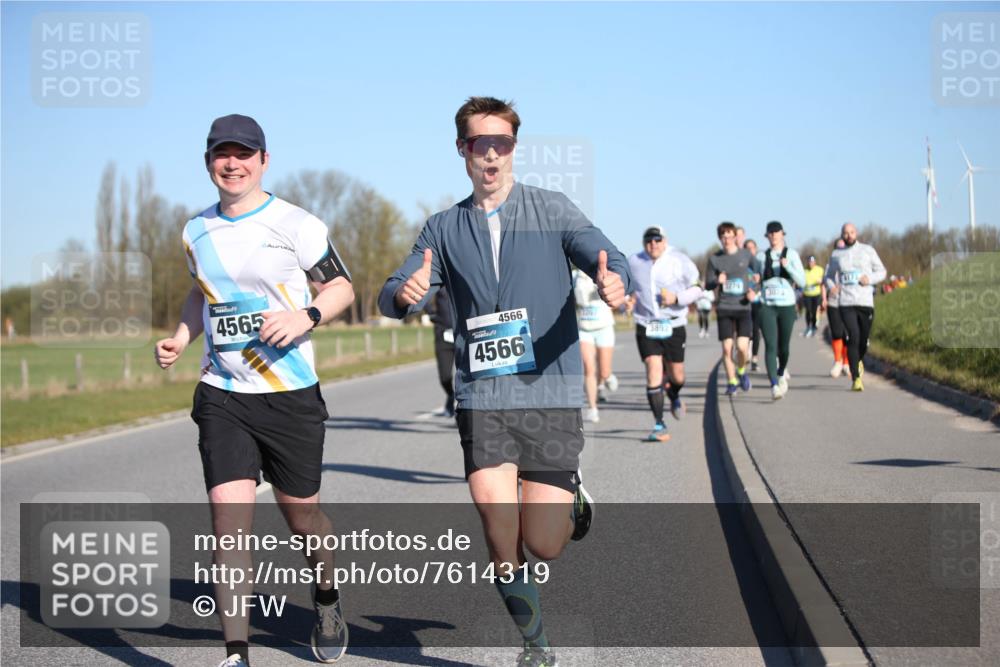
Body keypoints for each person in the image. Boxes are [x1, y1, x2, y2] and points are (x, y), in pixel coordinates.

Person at [378, 97, 631, 667]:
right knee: (498, 527)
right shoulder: (443, 228)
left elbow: (603, 252)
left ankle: (572, 494)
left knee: (543, 542)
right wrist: (403, 293)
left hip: (550, 391)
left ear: (514, 148)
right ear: (462, 150)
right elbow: (393, 289)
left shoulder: (551, 209)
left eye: (502, 143)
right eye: (478, 143)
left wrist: (610, 275)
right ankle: (536, 644)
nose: (490, 154)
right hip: (483, 397)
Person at [155, 115, 355, 666]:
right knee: (228, 527)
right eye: (222, 153)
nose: (232, 163)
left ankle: (327, 597)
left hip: (290, 395)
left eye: (244, 154)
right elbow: (201, 295)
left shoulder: (297, 224)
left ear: (264, 161)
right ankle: (236, 654)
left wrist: (306, 315)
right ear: (209, 162)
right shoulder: (195, 230)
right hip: (222, 393)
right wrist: (180, 335)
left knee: (303, 521)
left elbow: (341, 285)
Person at [628, 226, 702, 441]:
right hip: (646, 323)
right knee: (653, 369)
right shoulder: (634, 261)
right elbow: (628, 288)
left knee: (677, 375)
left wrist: (677, 298)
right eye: (648, 240)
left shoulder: (679, 259)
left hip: (673, 324)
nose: (653, 244)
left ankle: (674, 393)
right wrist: (628, 300)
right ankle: (659, 424)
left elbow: (698, 288)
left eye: (657, 240)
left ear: (665, 240)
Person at [825, 222, 886, 392]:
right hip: (846, 302)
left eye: (851, 232)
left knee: (863, 341)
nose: (849, 235)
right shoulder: (837, 254)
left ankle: (857, 360)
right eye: (845, 233)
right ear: (842, 235)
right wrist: (832, 287)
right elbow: (828, 276)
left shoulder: (867, 250)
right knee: (853, 335)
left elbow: (882, 271)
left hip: (865, 301)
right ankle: (856, 378)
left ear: (856, 233)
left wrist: (870, 279)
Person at [705, 222, 757, 395]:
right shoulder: (715, 259)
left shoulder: (746, 255)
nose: (726, 240)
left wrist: (753, 291)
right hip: (724, 307)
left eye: (729, 236)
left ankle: (741, 371)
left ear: (735, 237)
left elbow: (759, 274)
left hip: (743, 307)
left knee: (742, 347)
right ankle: (732, 381)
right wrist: (716, 281)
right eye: (723, 237)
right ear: (720, 238)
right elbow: (708, 284)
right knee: (727, 348)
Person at [755, 221, 806, 400]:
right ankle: (774, 385)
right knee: (770, 345)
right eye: (770, 233)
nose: (774, 236)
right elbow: (753, 279)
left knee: (783, 348)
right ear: (767, 236)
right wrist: (754, 279)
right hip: (767, 305)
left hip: (786, 306)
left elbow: (802, 282)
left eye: (777, 232)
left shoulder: (791, 254)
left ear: (783, 234)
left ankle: (781, 371)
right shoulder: (761, 257)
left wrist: (788, 267)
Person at [573, 267, 618, 423]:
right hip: (584, 328)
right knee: (588, 368)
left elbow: (617, 293)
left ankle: (606, 377)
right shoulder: (575, 276)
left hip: (604, 327)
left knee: (604, 371)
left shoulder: (604, 273)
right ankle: (592, 408)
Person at [425, 285, 457, 417]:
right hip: (443, 333)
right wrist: (431, 312)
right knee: (445, 377)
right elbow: (422, 295)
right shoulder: (439, 278)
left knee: (466, 377)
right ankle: (451, 395)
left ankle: (463, 410)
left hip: (464, 333)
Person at [824, 238, 850, 378]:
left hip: (850, 302)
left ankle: (847, 363)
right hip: (834, 302)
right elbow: (826, 278)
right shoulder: (831, 263)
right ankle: (837, 361)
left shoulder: (852, 263)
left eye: (843, 247)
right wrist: (832, 287)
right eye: (838, 247)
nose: (841, 249)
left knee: (848, 333)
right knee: (837, 332)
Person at [743, 239, 762, 371]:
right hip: (744, 301)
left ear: (755, 250)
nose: (750, 250)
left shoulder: (759, 264)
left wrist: (755, 291)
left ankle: (754, 357)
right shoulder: (741, 265)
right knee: (745, 330)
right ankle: (747, 352)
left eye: (752, 248)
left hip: (757, 300)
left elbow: (763, 280)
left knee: (756, 330)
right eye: (747, 248)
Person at [801, 255, 824, 337]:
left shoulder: (820, 270)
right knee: (808, 311)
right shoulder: (804, 271)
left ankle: (814, 326)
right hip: (807, 294)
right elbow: (801, 282)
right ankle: (808, 327)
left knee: (814, 312)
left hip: (816, 294)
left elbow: (823, 281)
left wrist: (820, 281)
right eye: (810, 262)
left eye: (812, 262)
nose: (811, 264)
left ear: (815, 262)